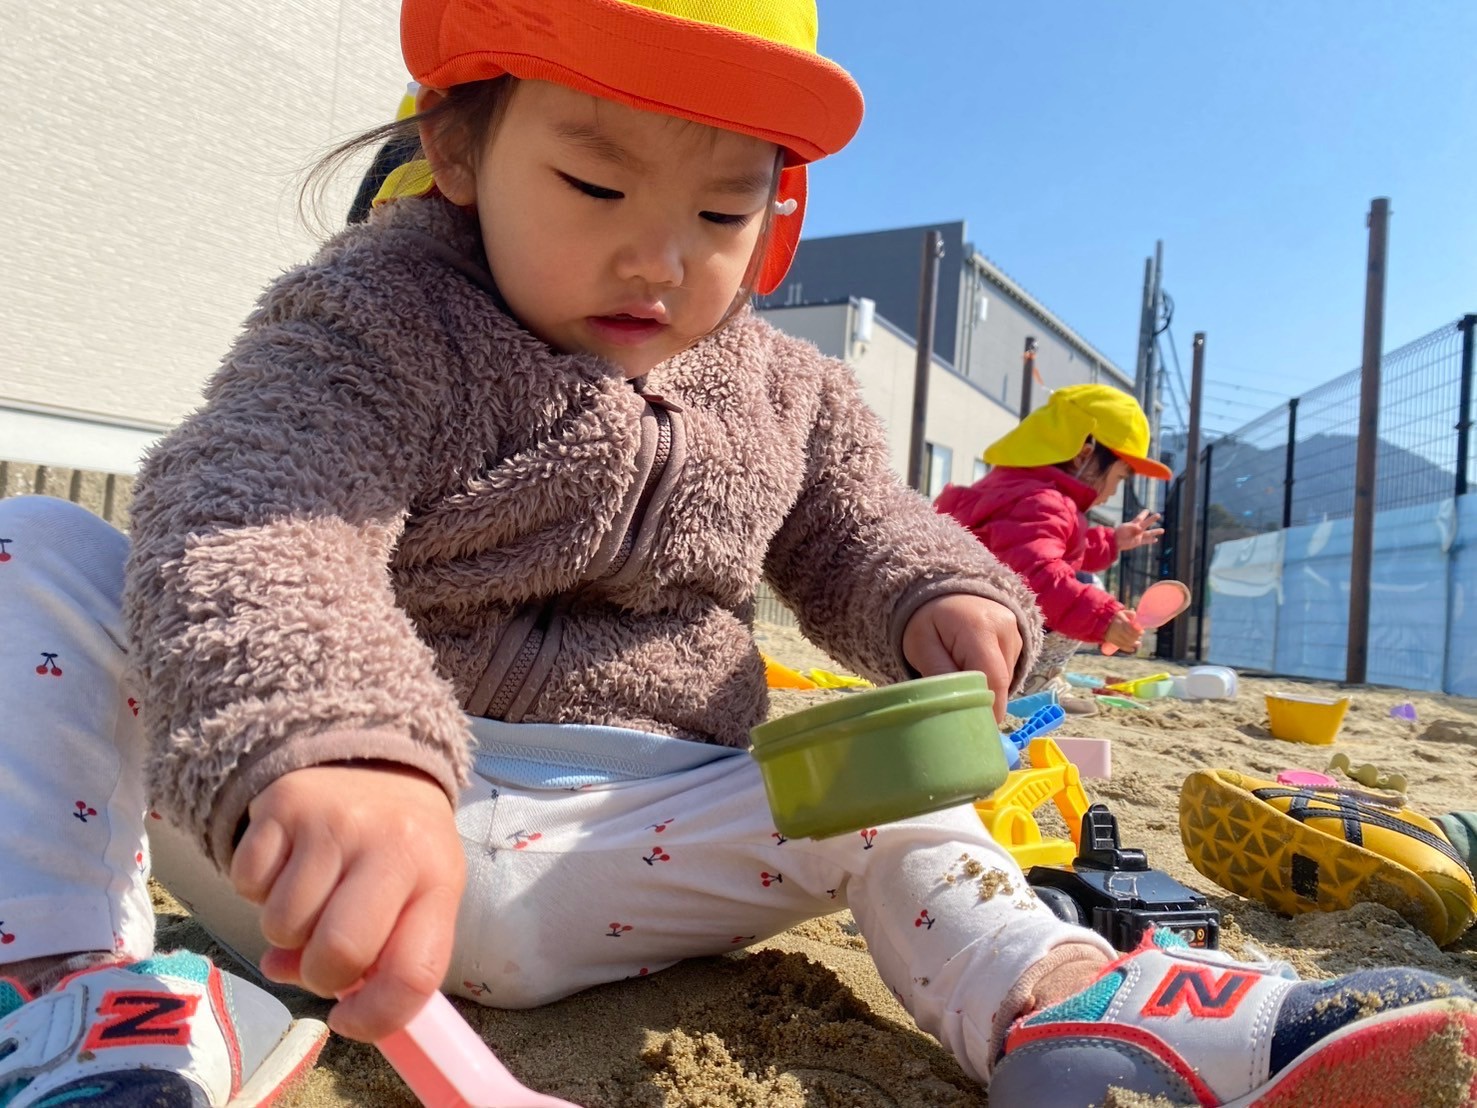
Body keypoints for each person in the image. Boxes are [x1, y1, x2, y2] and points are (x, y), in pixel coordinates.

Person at [2, 4, 1475, 1106]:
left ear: (779, 216)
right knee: (44, 550)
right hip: (337, 844)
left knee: (896, 786)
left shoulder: (782, 387)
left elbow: (860, 524)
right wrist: (339, 746)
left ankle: (1059, 1000)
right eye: (595, 188)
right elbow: (260, 510)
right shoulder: (376, 320)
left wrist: (939, 596)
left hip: (640, 839)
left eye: (720, 210)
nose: (660, 257)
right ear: (457, 146)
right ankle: (77, 990)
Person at [936, 384, 1169, 700]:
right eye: (1119, 477)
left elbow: (1041, 549)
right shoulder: (1043, 501)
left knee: (1075, 579)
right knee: (1086, 585)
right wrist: (1104, 618)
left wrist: (1112, 541)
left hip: (953, 624)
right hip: (983, 631)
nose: (1115, 491)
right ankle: (1030, 680)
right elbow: (1037, 576)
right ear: (1084, 455)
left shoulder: (1012, 487)